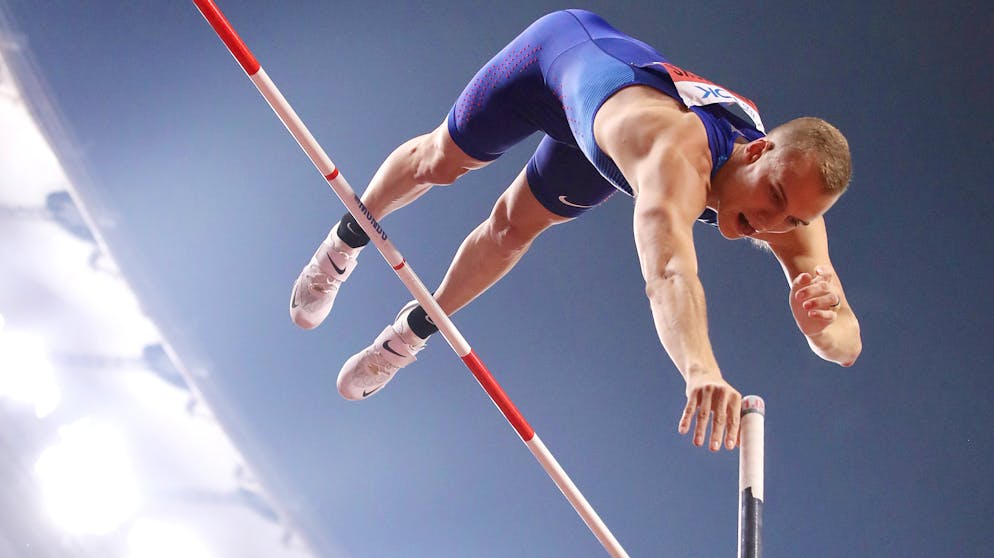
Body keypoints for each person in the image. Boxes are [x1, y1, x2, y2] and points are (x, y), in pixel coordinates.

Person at [288, 9, 861, 452]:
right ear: (757, 151)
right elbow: (668, 271)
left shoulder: (793, 213)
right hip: (557, 59)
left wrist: (821, 328)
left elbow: (846, 343)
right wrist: (701, 369)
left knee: (511, 230)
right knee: (441, 161)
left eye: (794, 219)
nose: (772, 223)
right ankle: (343, 244)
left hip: (599, 141)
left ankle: (406, 336)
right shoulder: (673, 156)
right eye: (774, 198)